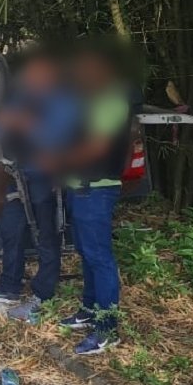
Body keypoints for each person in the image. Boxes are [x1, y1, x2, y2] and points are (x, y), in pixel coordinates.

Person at [0, 53, 69, 320]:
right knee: (11, 229)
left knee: (47, 236)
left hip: (45, 177)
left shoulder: (60, 101)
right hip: (18, 174)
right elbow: (0, 129)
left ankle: (44, 294)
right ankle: (9, 286)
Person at [58, 47, 133, 355]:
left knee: (99, 257)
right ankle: (89, 309)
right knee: (86, 253)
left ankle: (107, 327)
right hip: (80, 186)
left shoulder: (111, 101)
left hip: (97, 187)